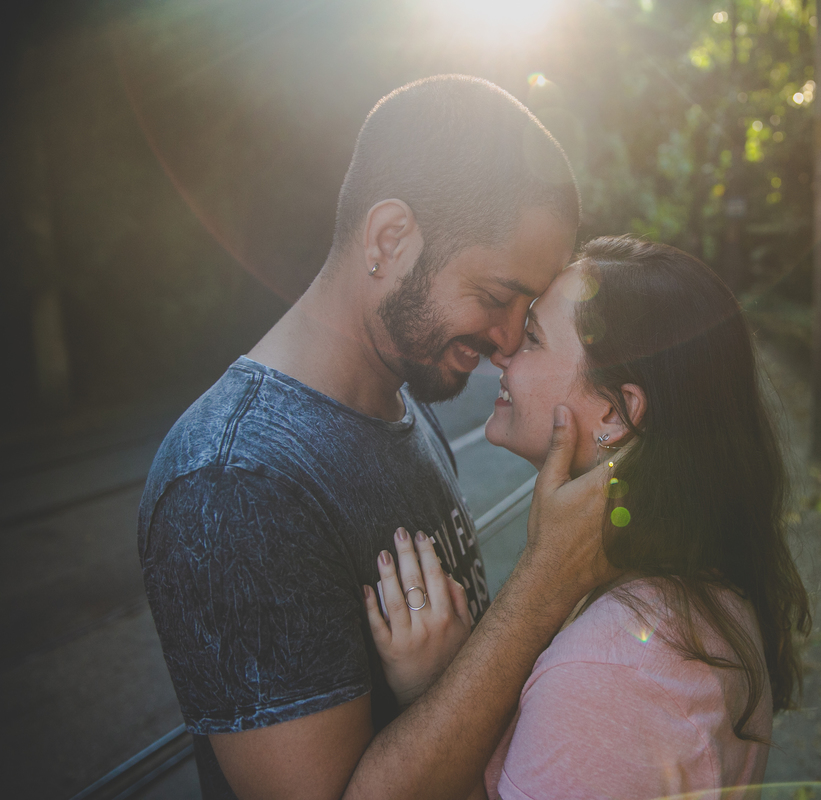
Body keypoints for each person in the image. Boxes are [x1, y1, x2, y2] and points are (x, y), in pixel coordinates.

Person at [138, 75, 613, 800]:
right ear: (389, 239)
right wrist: (549, 581)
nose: (510, 340)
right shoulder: (237, 479)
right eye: (495, 297)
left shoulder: (403, 403)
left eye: (528, 307)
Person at [370, 236, 812, 798]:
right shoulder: (697, 588)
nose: (501, 351)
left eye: (532, 339)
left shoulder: (610, 679)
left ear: (615, 412)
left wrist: (431, 695)